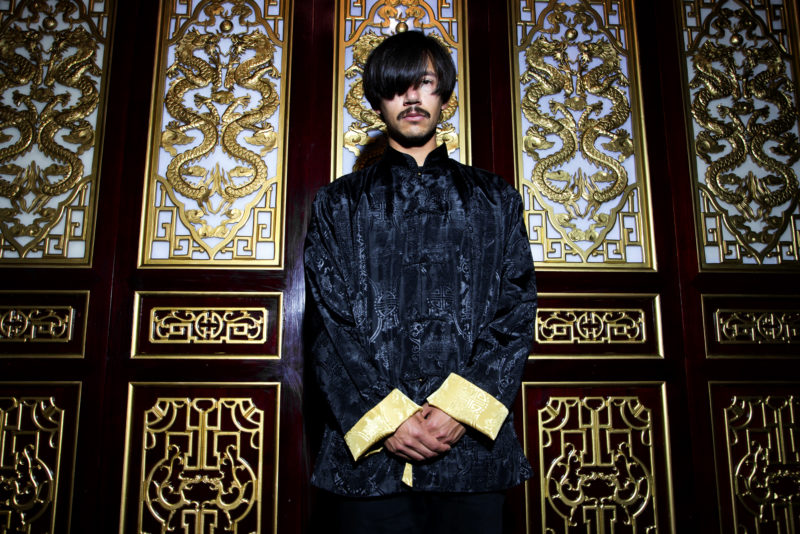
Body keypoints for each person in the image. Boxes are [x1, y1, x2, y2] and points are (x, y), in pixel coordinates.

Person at [304, 30, 537, 534]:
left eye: (425, 83)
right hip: (370, 465)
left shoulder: (495, 199)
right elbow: (328, 326)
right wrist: (388, 419)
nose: (412, 98)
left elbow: (516, 312)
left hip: (471, 456)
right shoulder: (338, 203)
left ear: (445, 95)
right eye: (397, 86)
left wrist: (460, 408)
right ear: (376, 102)